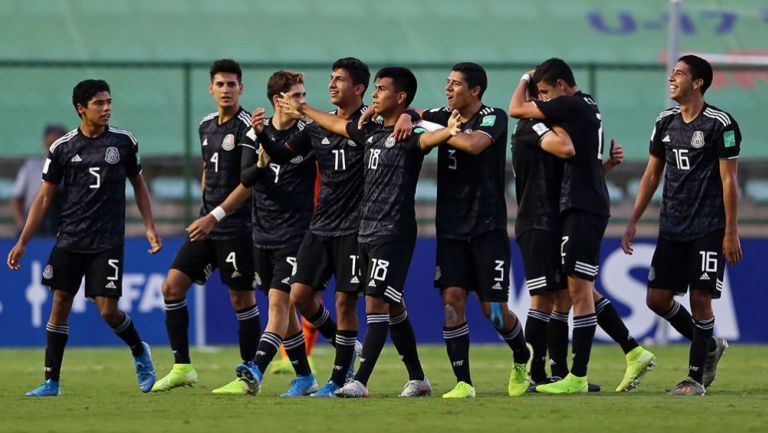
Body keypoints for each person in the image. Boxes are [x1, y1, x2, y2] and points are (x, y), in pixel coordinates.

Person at [274, 66, 459, 398]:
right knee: (391, 303)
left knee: (375, 303)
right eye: (374, 89)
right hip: (365, 231)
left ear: (399, 97)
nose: (375, 94)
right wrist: (304, 110)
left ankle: (358, 381)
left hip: (394, 231)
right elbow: (334, 124)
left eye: (382, 89)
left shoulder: (410, 135)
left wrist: (431, 125)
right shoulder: (368, 131)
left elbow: (434, 135)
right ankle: (417, 377)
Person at [6, 79, 162, 397]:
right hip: (70, 238)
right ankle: (52, 382)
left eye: (108, 102)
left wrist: (148, 226)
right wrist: (22, 241)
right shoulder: (62, 148)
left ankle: (138, 349)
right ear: (82, 109)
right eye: (99, 103)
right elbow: (44, 198)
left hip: (107, 240)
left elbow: (139, 185)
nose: (106, 108)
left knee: (107, 310)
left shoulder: (123, 142)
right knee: (60, 303)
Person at [241, 58, 377, 398]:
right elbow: (282, 155)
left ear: (358, 88)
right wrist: (261, 136)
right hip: (320, 226)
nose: (331, 84)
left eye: (340, 80)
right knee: (299, 296)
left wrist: (305, 110)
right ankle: (340, 357)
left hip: (353, 227)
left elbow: (351, 131)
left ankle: (337, 377)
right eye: (330, 78)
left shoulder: (368, 123)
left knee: (346, 302)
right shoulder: (315, 129)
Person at [511, 77, 656, 392]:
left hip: (562, 216)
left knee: (569, 294)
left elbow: (569, 171)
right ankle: (548, 374)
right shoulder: (531, 128)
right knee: (561, 295)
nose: (547, 104)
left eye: (549, 96)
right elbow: (562, 161)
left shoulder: (557, 124)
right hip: (538, 220)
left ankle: (561, 375)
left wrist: (601, 166)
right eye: (543, 99)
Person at [186, 70, 319, 396]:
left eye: (303, 95)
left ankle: (255, 367)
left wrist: (264, 141)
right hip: (261, 231)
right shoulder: (253, 132)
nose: (303, 102)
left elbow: (286, 155)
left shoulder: (308, 132)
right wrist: (259, 157)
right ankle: (305, 376)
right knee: (285, 311)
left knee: (278, 304)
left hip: (296, 231)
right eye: (297, 96)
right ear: (279, 100)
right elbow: (246, 177)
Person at [621, 55, 740, 396]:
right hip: (671, 226)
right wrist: (633, 219)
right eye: (671, 73)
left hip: (707, 226)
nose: (671, 78)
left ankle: (695, 378)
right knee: (657, 299)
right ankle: (711, 345)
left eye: (679, 74)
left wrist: (731, 231)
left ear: (698, 82)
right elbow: (651, 174)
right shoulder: (664, 122)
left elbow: (729, 180)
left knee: (701, 299)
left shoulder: (720, 124)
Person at [416, 62, 530, 398]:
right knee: (452, 301)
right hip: (450, 227)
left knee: (493, 311)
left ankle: (522, 355)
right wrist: (412, 117)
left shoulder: (493, 116)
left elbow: (475, 145)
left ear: (475, 91)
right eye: (447, 82)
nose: (448, 89)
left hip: (487, 226)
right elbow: (412, 111)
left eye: (455, 84)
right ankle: (463, 383)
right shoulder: (439, 114)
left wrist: (444, 131)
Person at [151, 59, 260, 394]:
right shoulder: (205, 126)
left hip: (236, 227)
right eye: (220, 84)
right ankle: (182, 367)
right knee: (171, 287)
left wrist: (215, 216)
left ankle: (248, 376)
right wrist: (206, 210)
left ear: (241, 88)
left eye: (232, 84)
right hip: (207, 225)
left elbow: (249, 183)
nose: (226, 90)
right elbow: (206, 169)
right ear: (210, 88)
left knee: (241, 299)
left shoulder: (249, 129)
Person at [11, 124, 67, 237]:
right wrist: (20, 222)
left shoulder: (72, 168)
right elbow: (16, 197)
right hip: (33, 221)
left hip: (60, 224)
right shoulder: (31, 166)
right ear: (45, 144)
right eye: (51, 144)